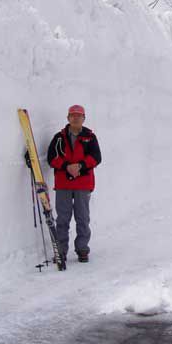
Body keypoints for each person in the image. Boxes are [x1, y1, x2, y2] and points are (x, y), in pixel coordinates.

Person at [47, 105, 102, 264]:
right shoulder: (59, 137)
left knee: (82, 218)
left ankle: (82, 249)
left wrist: (80, 166)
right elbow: (52, 158)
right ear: (68, 118)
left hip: (83, 184)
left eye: (79, 115)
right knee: (62, 219)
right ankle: (61, 251)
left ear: (84, 118)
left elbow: (96, 157)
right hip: (63, 184)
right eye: (72, 115)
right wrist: (66, 166)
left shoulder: (90, 137)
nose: (76, 118)